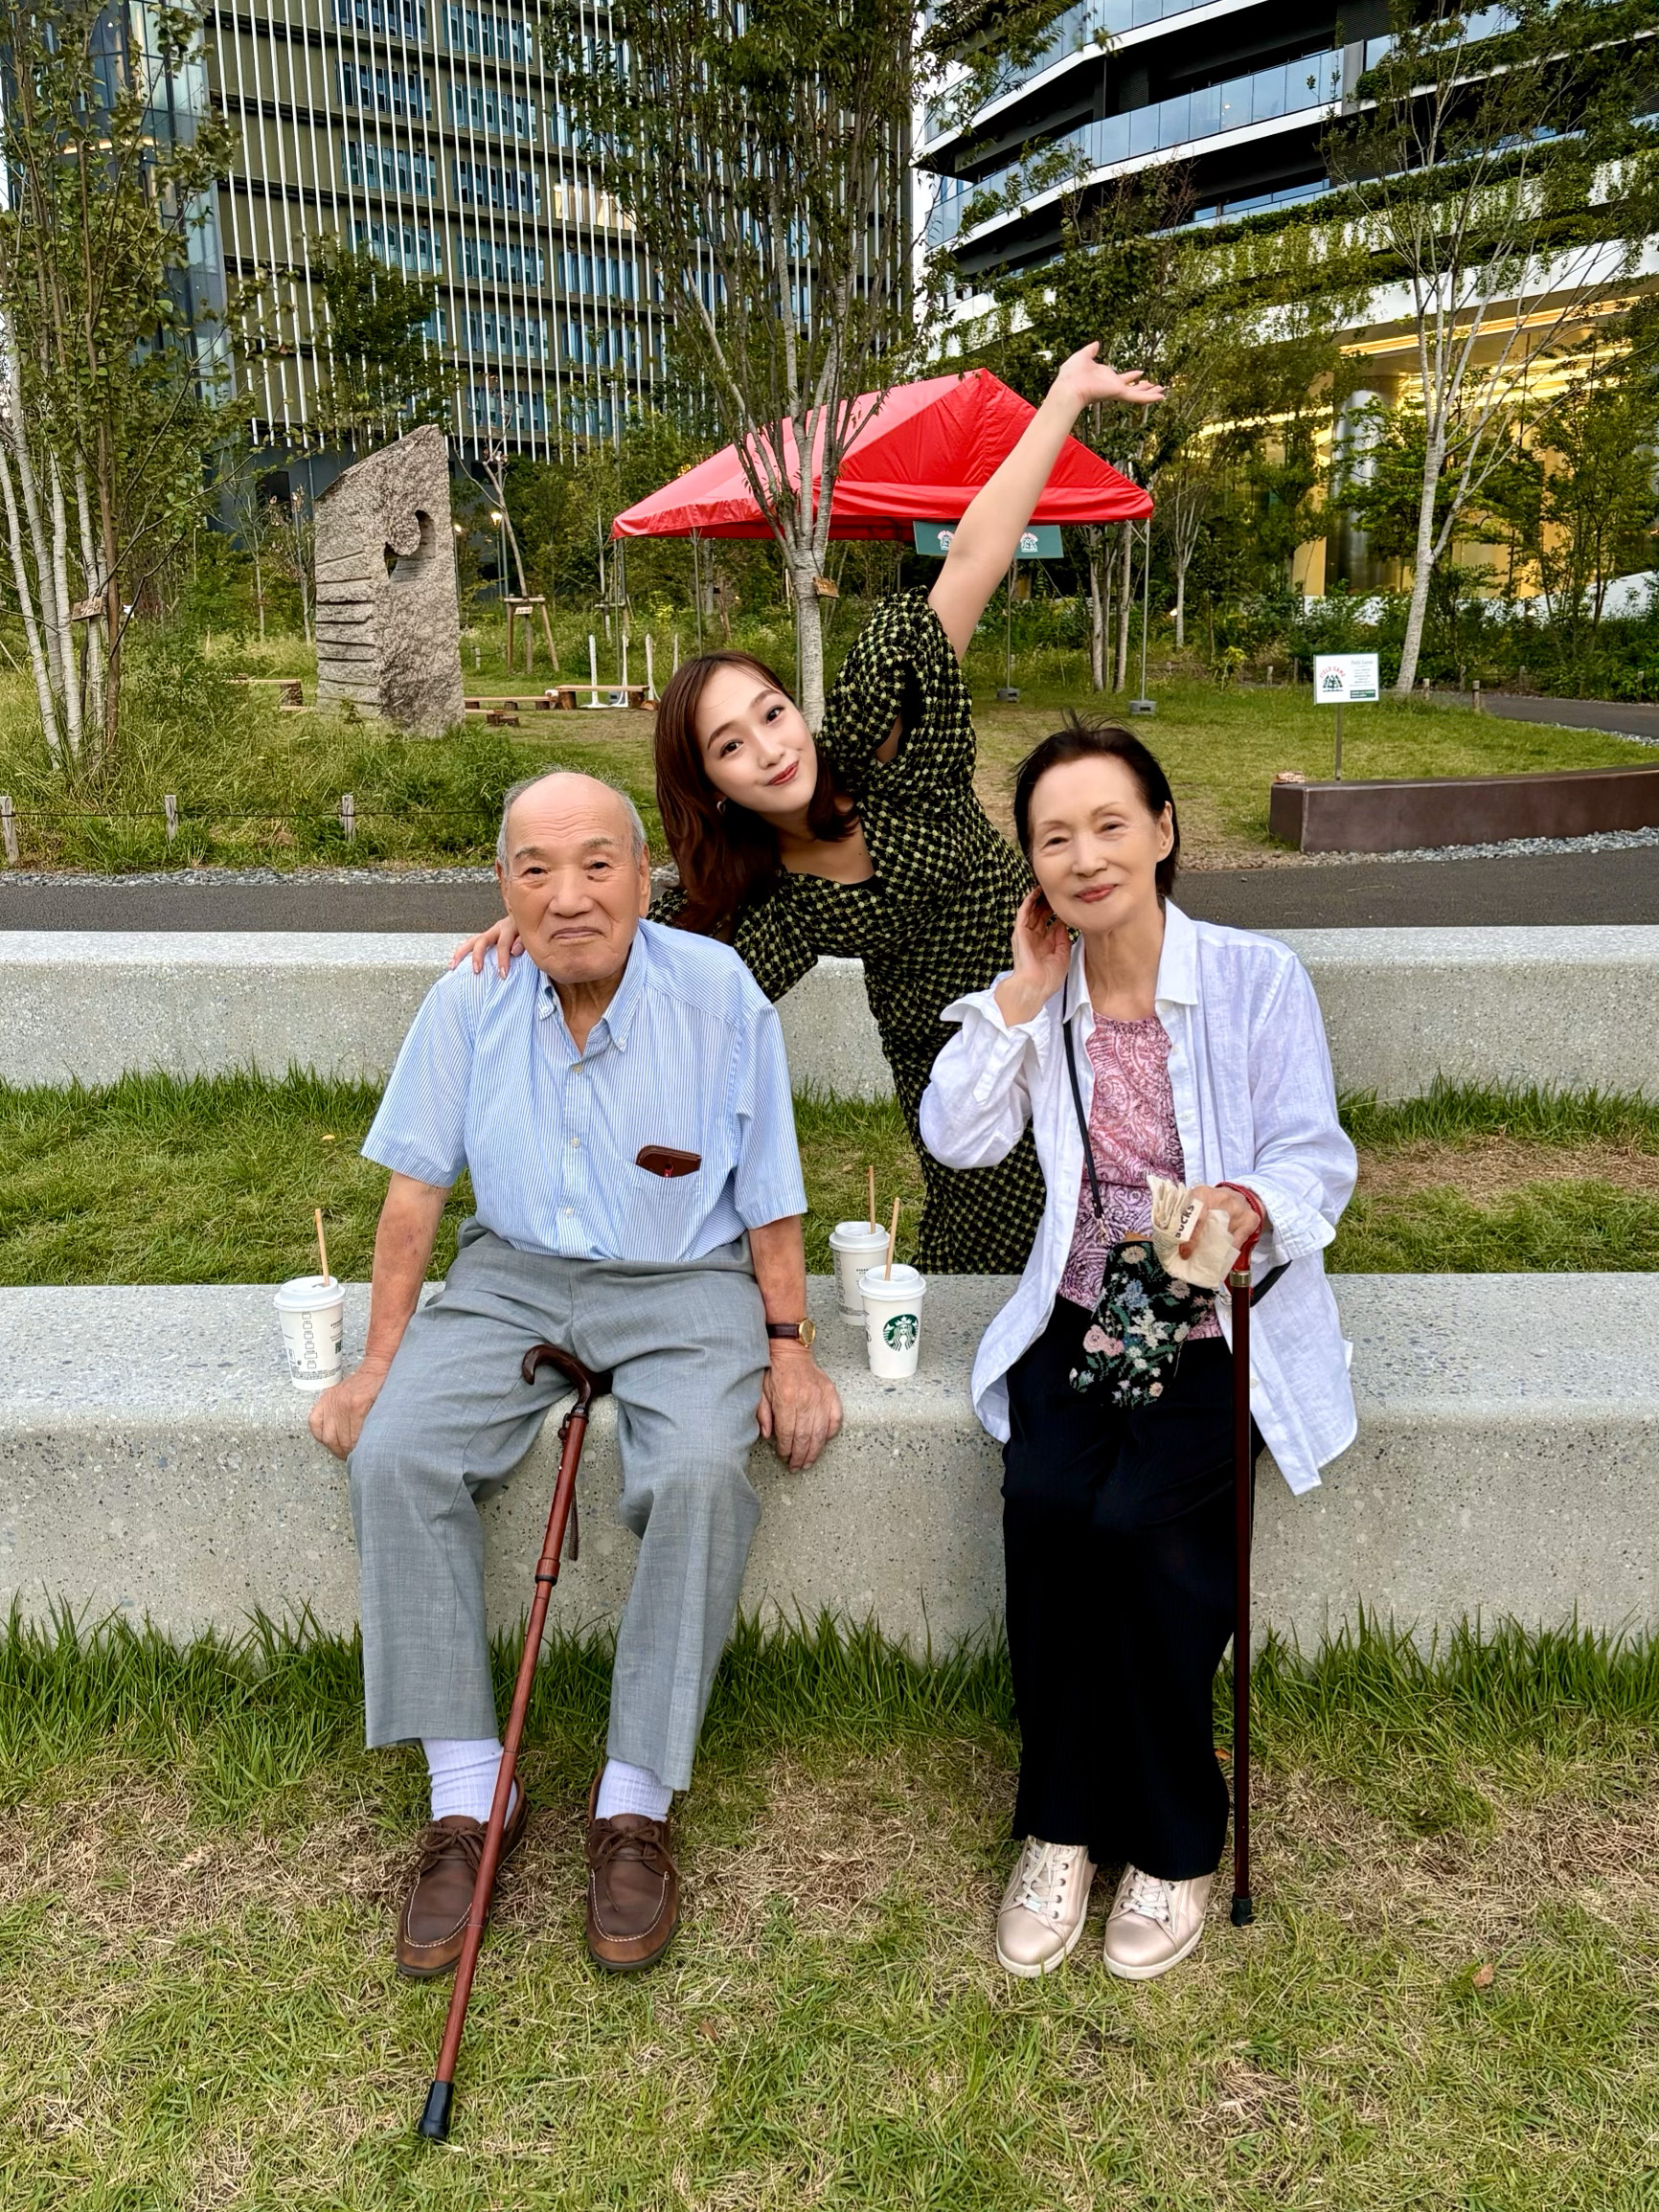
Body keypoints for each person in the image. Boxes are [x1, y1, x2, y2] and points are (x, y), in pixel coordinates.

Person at [457, 345, 1163, 1274]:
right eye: (730, 746)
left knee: (1132, 1204)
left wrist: (1063, 398)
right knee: (993, 1251)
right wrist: (536, 914)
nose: (770, 749)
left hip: (1072, 984)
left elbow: (976, 553)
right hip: (951, 1049)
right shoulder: (768, 897)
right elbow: (639, 953)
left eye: (771, 713)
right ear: (712, 785)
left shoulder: (877, 742)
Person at [308, 768, 842, 1978]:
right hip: (510, 1275)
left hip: (682, 1279)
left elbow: (768, 1191)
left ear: (645, 877)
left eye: (598, 864)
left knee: (700, 1472)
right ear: (501, 888)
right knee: (397, 1454)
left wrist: (789, 1348)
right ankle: (470, 1792)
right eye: (535, 870)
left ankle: (633, 1799)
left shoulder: (717, 992)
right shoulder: (471, 994)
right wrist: (377, 1365)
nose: (568, 895)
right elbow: (413, 1194)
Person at [919, 722, 1356, 1983]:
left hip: (1217, 1315)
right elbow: (956, 1136)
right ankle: (1059, 1827)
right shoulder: (1045, 998)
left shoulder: (1256, 978)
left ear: (1164, 830)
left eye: (1111, 824)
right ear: (1032, 865)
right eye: (1054, 837)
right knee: (1047, 1504)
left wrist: (1247, 1206)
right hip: (1083, 1306)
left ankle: (1171, 1841)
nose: (1085, 856)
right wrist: (1016, 997)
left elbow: (1316, 1155)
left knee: (1146, 1532)